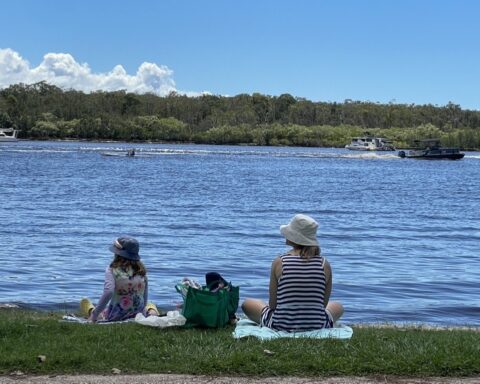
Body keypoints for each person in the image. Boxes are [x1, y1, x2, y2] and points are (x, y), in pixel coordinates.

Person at [242, 214, 344, 332]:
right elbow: (323, 305)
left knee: (247, 304)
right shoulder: (324, 264)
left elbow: (273, 305)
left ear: (293, 237)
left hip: (281, 325)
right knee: (338, 306)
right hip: (318, 325)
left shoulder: (280, 262)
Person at [80, 236, 159, 322]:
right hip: (137, 315)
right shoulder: (141, 272)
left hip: (115, 316)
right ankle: (152, 313)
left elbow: (108, 292)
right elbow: (144, 300)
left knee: (86, 303)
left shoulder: (112, 270)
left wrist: (94, 316)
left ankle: (92, 311)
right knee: (150, 304)